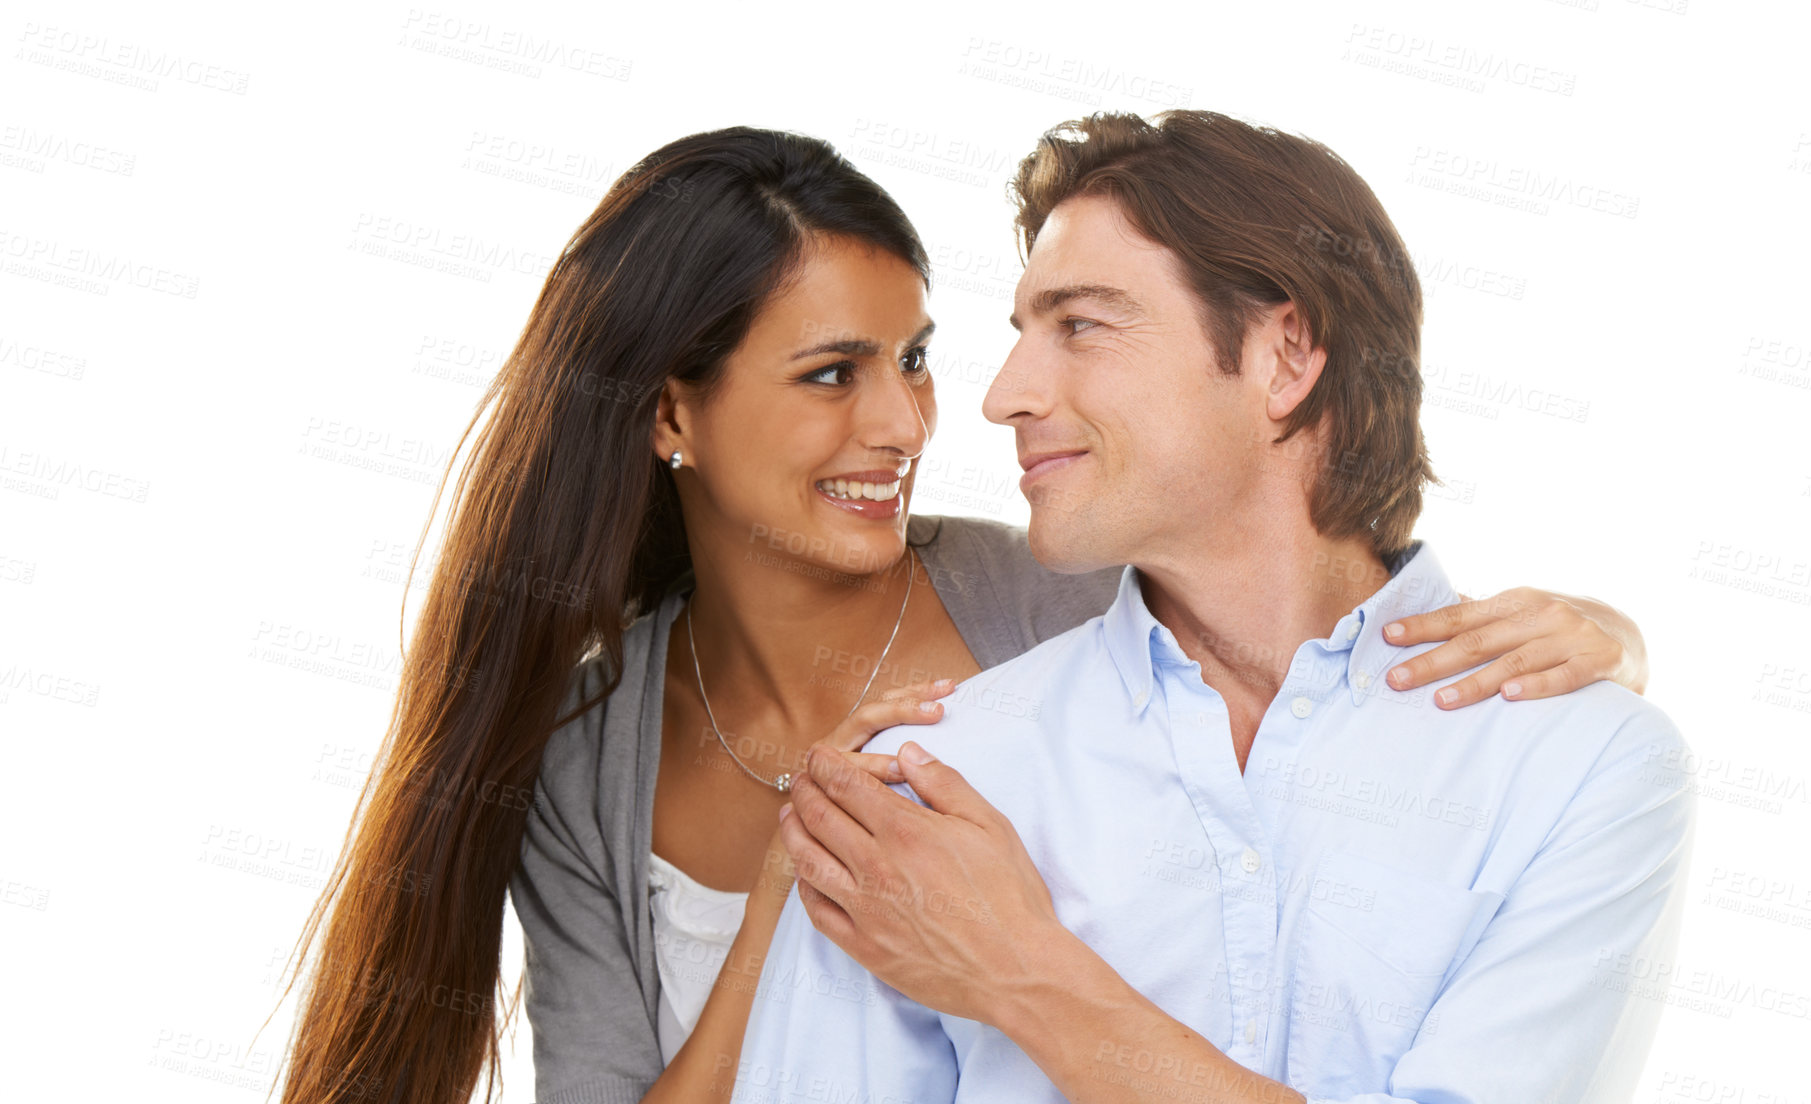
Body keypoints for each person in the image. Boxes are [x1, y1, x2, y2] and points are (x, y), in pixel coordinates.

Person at [266, 125, 1655, 1104]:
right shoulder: (589, 749)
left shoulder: (1059, 592)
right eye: (827, 373)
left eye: (913, 358)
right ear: (670, 413)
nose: (930, 414)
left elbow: (1285, 584)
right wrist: (789, 900)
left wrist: (1599, 650)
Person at [739, 111, 1695, 1104]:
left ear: (1284, 355)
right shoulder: (921, 799)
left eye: (1080, 325)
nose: (1002, 395)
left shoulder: (1582, 768)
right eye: (1021, 334)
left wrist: (1021, 971)